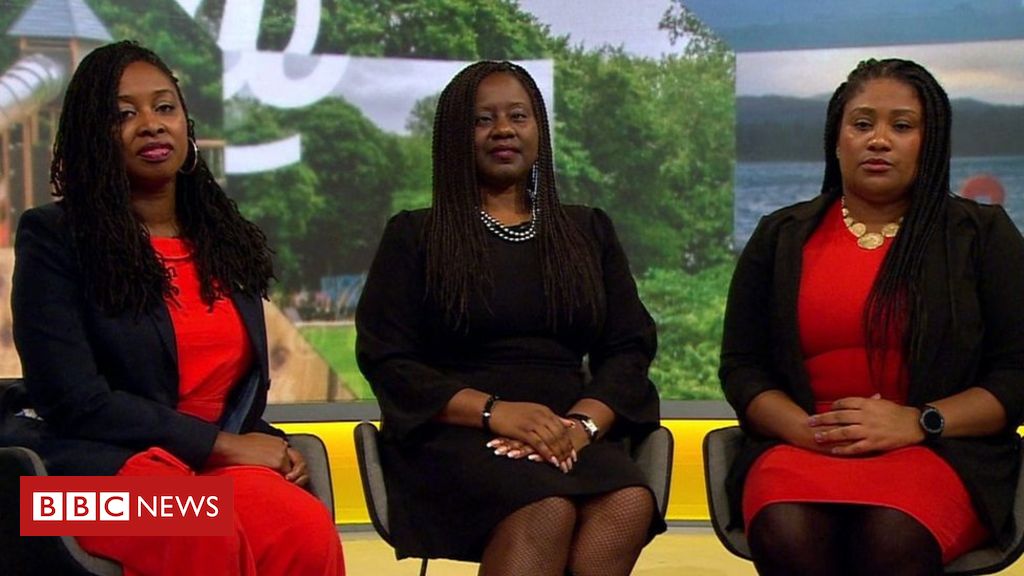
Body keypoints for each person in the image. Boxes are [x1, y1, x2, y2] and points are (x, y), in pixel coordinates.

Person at [11, 41, 344, 576]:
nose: (151, 124)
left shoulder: (222, 241)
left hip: (199, 468)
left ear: (186, 124)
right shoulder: (54, 237)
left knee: (301, 528)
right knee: (200, 526)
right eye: (124, 114)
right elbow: (71, 400)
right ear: (92, 135)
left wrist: (266, 442)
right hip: (70, 484)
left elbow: (223, 396)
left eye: (164, 107)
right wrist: (224, 447)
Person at [356, 60, 664, 576]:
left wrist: (582, 425)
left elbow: (629, 348)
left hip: (566, 431)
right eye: (483, 119)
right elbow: (388, 359)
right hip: (456, 433)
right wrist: (494, 412)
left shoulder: (587, 230)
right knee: (547, 507)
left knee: (628, 501)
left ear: (538, 130)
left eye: (518, 116)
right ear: (455, 137)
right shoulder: (414, 235)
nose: (503, 130)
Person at [720, 57, 1024, 576]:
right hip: (802, 446)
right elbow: (742, 366)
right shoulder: (780, 235)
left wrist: (920, 421)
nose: (878, 140)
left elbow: (1016, 373)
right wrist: (803, 429)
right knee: (787, 531)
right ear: (837, 139)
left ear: (930, 142)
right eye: (862, 124)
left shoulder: (981, 234)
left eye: (901, 126)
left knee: (890, 535)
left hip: (939, 450)